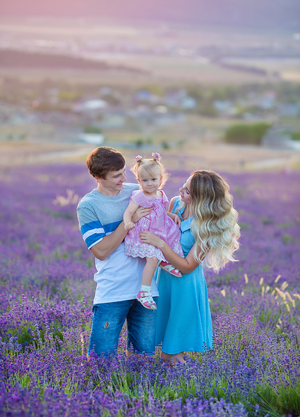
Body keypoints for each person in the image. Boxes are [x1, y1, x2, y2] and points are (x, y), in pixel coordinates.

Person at [140, 170, 240, 364]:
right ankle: (174, 389)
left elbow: (187, 266)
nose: (180, 191)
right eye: (183, 186)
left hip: (185, 287)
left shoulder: (207, 227)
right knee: (160, 346)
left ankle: (186, 389)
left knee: (172, 351)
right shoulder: (177, 204)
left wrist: (160, 244)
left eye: (186, 190)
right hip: (164, 281)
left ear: (201, 198)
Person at [77, 146, 159, 358]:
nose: (124, 178)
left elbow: (163, 215)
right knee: (100, 361)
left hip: (148, 291)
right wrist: (129, 221)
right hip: (113, 291)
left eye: (124, 172)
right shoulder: (88, 206)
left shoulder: (137, 192)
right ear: (97, 177)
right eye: (116, 176)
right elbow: (101, 251)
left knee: (145, 360)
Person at [123, 153, 184, 310]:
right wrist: (128, 222)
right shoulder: (140, 196)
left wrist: (172, 215)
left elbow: (162, 211)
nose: (149, 184)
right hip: (143, 234)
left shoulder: (161, 194)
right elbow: (128, 212)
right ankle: (144, 291)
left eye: (153, 180)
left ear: (161, 179)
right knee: (151, 259)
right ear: (138, 181)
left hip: (158, 230)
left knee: (175, 233)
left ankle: (165, 261)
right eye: (144, 180)